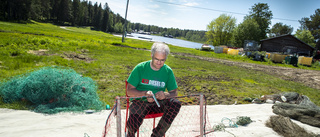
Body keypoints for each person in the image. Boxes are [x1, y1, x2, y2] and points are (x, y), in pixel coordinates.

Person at [126, 42, 181, 137]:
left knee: (176, 103)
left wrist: (165, 95)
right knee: (133, 121)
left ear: (166, 58)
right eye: (156, 59)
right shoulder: (140, 68)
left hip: (159, 103)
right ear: (151, 55)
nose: (159, 62)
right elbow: (129, 91)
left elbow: (174, 93)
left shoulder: (168, 71)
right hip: (140, 102)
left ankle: (157, 135)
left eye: (162, 60)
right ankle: (130, 134)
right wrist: (144, 93)